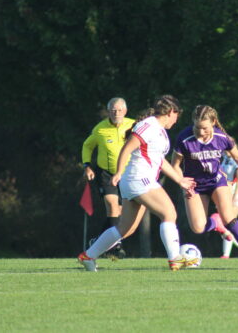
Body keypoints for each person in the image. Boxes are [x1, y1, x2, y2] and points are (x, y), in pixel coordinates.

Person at [78, 95, 196, 271]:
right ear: (171, 112)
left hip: (135, 180)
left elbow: (160, 160)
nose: (176, 120)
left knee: (125, 228)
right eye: (177, 115)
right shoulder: (149, 125)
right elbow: (127, 148)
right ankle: (175, 259)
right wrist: (118, 172)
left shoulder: (159, 129)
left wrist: (179, 180)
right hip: (139, 178)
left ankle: (88, 256)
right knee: (169, 213)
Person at [171, 105, 238, 267]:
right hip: (194, 185)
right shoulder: (184, 138)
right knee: (198, 228)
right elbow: (174, 165)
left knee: (229, 219)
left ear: (214, 122)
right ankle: (215, 222)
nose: (201, 132)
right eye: (197, 127)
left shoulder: (221, 137)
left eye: (205, 128)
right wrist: (183, 183)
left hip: (217, 182)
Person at [81, 97, 136, 259]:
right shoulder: (100, 129)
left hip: (127, 174)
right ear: (108, 111)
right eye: (113, 110)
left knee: (121, 211)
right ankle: (115, 245)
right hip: (106, 174)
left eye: (119, 110)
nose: (116, 113)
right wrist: (87, 166)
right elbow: (87, 146)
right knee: (113, 206)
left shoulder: (134, 126)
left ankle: (98, 241)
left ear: (125, 111)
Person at [216, 151, 238, 259]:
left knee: (230, 223)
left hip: (235, 191)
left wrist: (235, 196)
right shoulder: (224, 158)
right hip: (225, 190)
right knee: (223, 225)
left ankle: (226, 254)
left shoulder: (236, 161)